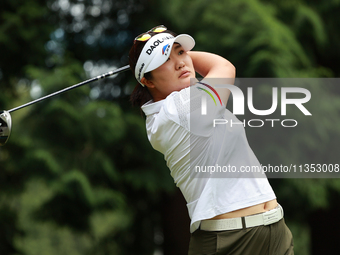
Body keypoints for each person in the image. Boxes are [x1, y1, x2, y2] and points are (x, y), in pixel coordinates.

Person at [128, 25, 294, 255]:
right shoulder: (179, 110)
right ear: (148, 81)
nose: (179, 63)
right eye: (164, 60)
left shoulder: (181, 101)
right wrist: (181, 56)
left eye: (180, 52)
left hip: (274, 228)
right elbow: (224, 67)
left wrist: (170, 56)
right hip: (230, 241)